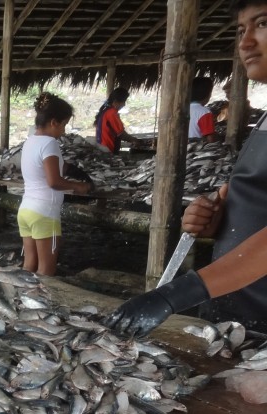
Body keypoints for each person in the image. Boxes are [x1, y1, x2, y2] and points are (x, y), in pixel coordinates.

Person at [106, 1, 267, 337]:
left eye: (262, 24)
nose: (245, 42)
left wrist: (176, 294)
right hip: (237, 322)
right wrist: (217, 217)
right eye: (240, 31)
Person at [17, 93, 93, 277]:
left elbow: (53, 166)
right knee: (46, 271)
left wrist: (74, 171)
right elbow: (54, 182)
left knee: (29, 266)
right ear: (53, 122)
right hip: (44, 213)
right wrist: (79, 186)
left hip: (26, 210)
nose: (64, 132)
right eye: (64, 125)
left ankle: (21, 302)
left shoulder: (30, 141)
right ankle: (40, 305)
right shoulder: (50, 143)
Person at [95, 87, 142, 154]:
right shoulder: (111, 113)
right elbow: (120, 134)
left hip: (102, 146)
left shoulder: (106, 110)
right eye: (123, 102)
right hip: (107, 149)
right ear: (116, 101)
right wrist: (134, 140)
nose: (124, 104)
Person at [190, 76, 221, 143]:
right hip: (196, 150)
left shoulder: (182, 109)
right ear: (207, 94)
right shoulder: (204, 112)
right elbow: (210, 140)